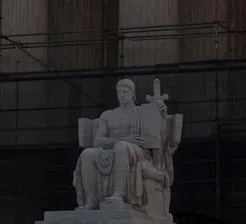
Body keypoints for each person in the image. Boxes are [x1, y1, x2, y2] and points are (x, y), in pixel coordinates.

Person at [72, 78, 176, 216]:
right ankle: (92, 201)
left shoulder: (142, 112)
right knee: (87, 154)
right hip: (110, 150)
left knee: (121, 147)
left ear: (132, 93)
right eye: (119, 92)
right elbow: (98, 141)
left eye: (125, 91)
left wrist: (162, 114)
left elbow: (159, 134)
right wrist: (121, 139)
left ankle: (118, 195)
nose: (121, 94)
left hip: (137, 152)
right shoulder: (108, 115)